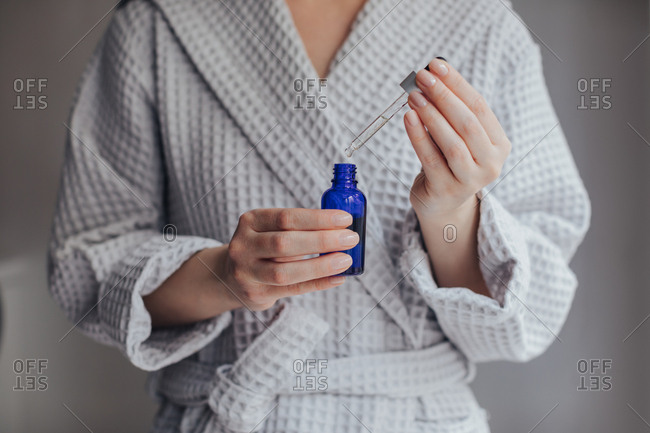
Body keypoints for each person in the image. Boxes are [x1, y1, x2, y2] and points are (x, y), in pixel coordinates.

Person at [48, 0, 591, 431]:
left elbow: (527, 313)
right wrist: (224, 275)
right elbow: (85, 269)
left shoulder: (480, 22)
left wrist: (451, 211)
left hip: (413, 417)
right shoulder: (159, 23)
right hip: (233, 412)